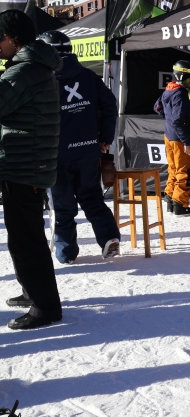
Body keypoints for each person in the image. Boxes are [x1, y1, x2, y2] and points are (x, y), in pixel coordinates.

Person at [0, 10, 64, 330]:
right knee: (23, 237)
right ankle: (33, 291)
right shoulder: (31, 67)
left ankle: (46, 306)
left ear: (12, 39)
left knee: (27, 240)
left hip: (24, 168)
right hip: (24, 165)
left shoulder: (24, 71)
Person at [37, 30, 121, 262]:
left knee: (62, 206)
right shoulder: (88, 76)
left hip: (57, 155)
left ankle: (66, 253)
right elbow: (110, 106)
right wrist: (105, 138)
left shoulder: (43, 79)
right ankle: (109, 237)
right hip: (87, 151)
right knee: (92, 199)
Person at [154, 60, 190, 216]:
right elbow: (178, 120)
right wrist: (186, 141)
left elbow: (157, 106)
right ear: (183, 76)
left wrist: (169, 118)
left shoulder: (169, 89)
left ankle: (170, 199)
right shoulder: (180, 93)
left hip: (169, 135)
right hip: (178, 138)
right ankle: (180, 205)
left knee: (173, 169)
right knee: (182, 171)